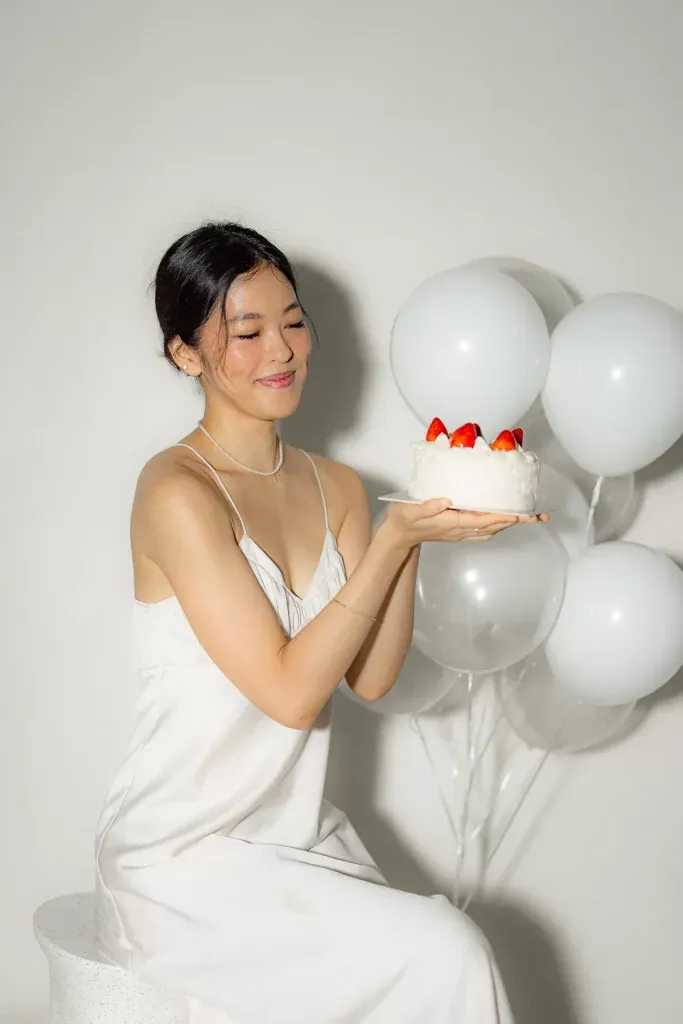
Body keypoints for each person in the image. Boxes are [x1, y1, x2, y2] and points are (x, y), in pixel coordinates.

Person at [95, 221, 545, 1023]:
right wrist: (396, 539)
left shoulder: (336, 485)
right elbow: (291, 696)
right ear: (184, 353)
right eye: (248, 331)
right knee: (450, 952)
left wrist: (411, 537)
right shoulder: (176, 492)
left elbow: (370, 678)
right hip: (185, 860)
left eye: (294, 321)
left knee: (438, 957)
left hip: (295, 841)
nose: (283, 351)